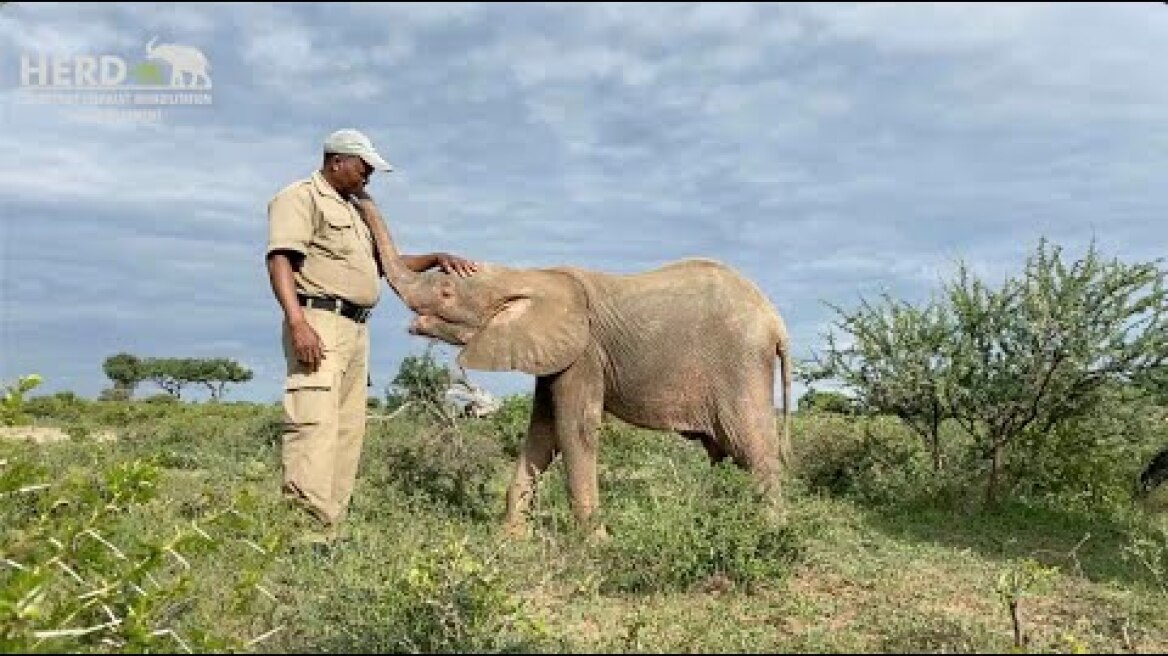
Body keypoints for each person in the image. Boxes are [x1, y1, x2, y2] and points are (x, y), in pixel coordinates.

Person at [265, 128, 478, 544]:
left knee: (347, 429)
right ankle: (302, 534)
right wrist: (297, 323)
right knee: (314, 424)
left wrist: (436, 257)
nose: (369, 177)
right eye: (364, 168)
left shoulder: (356, 210)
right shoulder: (301, 196)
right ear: (337, 161)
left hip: (356, 329)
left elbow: (388, 265)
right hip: (318, 321)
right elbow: (280, 262)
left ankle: (329, 527)